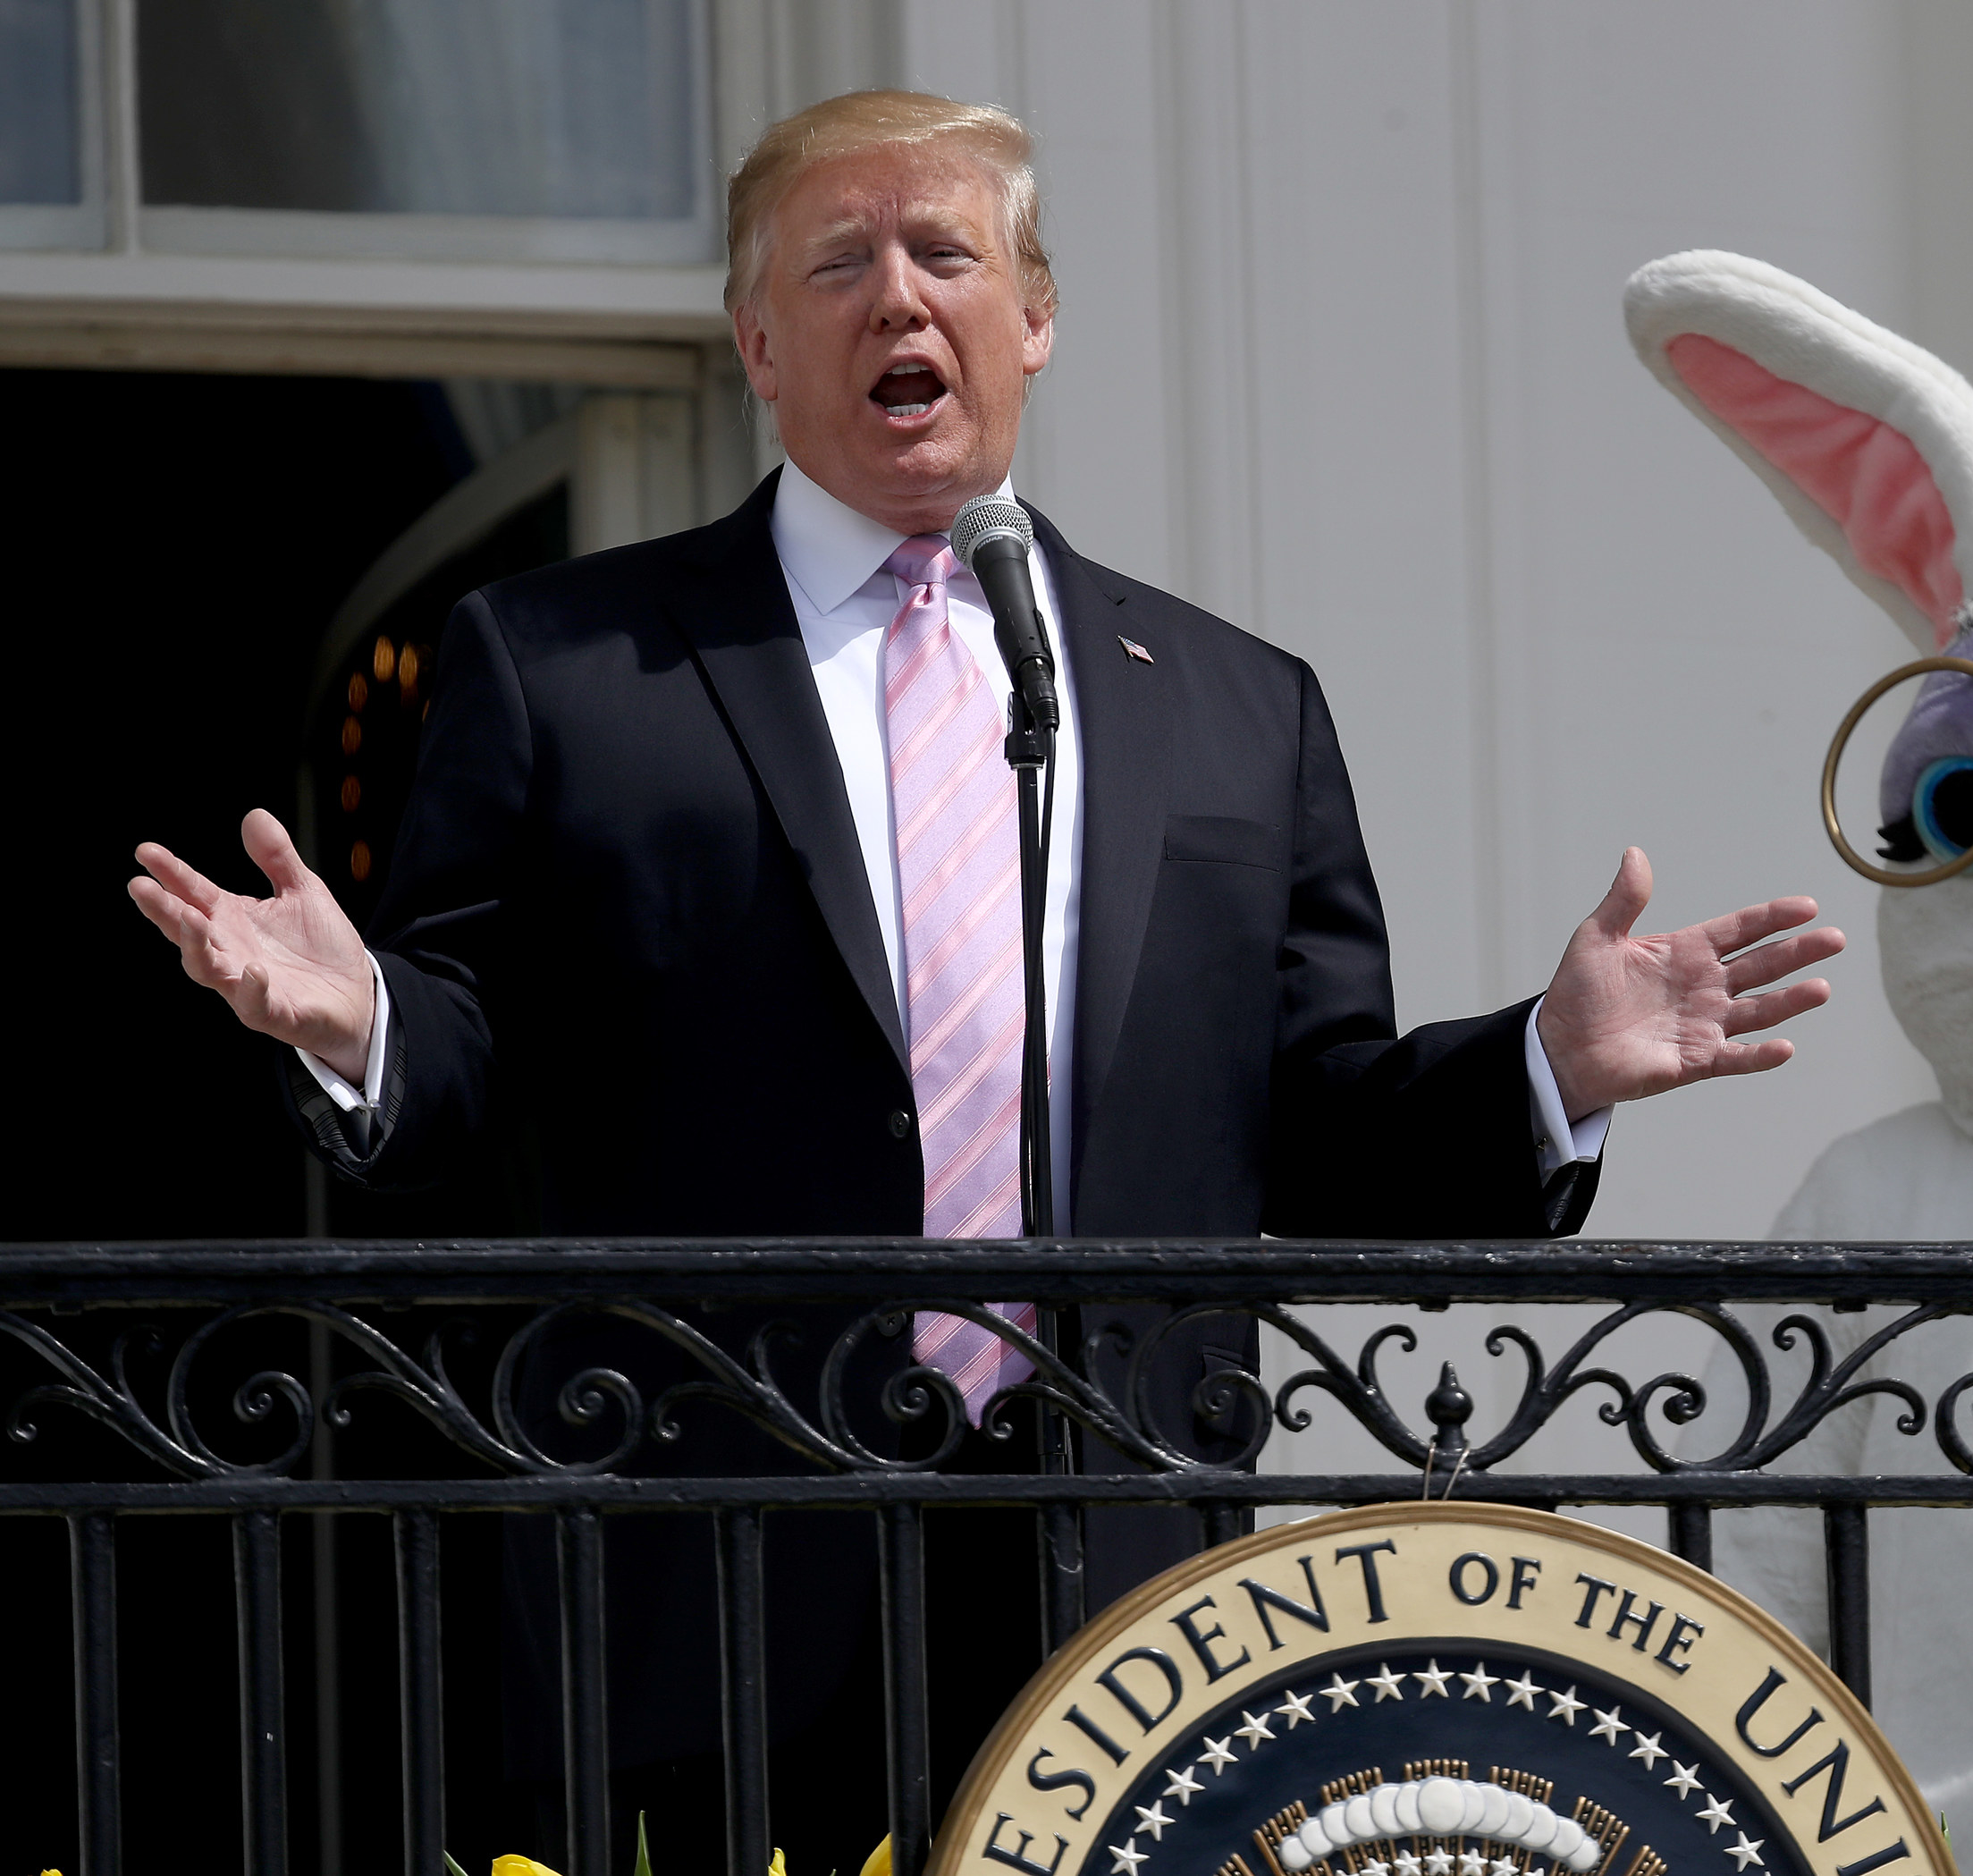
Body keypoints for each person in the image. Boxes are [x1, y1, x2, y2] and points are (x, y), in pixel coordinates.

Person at [127, 90, 1843, 1866]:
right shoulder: (565, 665)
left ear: (1035, 317)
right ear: (756, 341)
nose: (899, 298)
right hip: (706, 1561)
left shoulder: (1237, 706)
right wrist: (370, 1023)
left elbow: (1315, 1126)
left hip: (1117, 1584)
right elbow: (463, 1078)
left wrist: (1542, 1069)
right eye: (838, 262)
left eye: (947, 254)